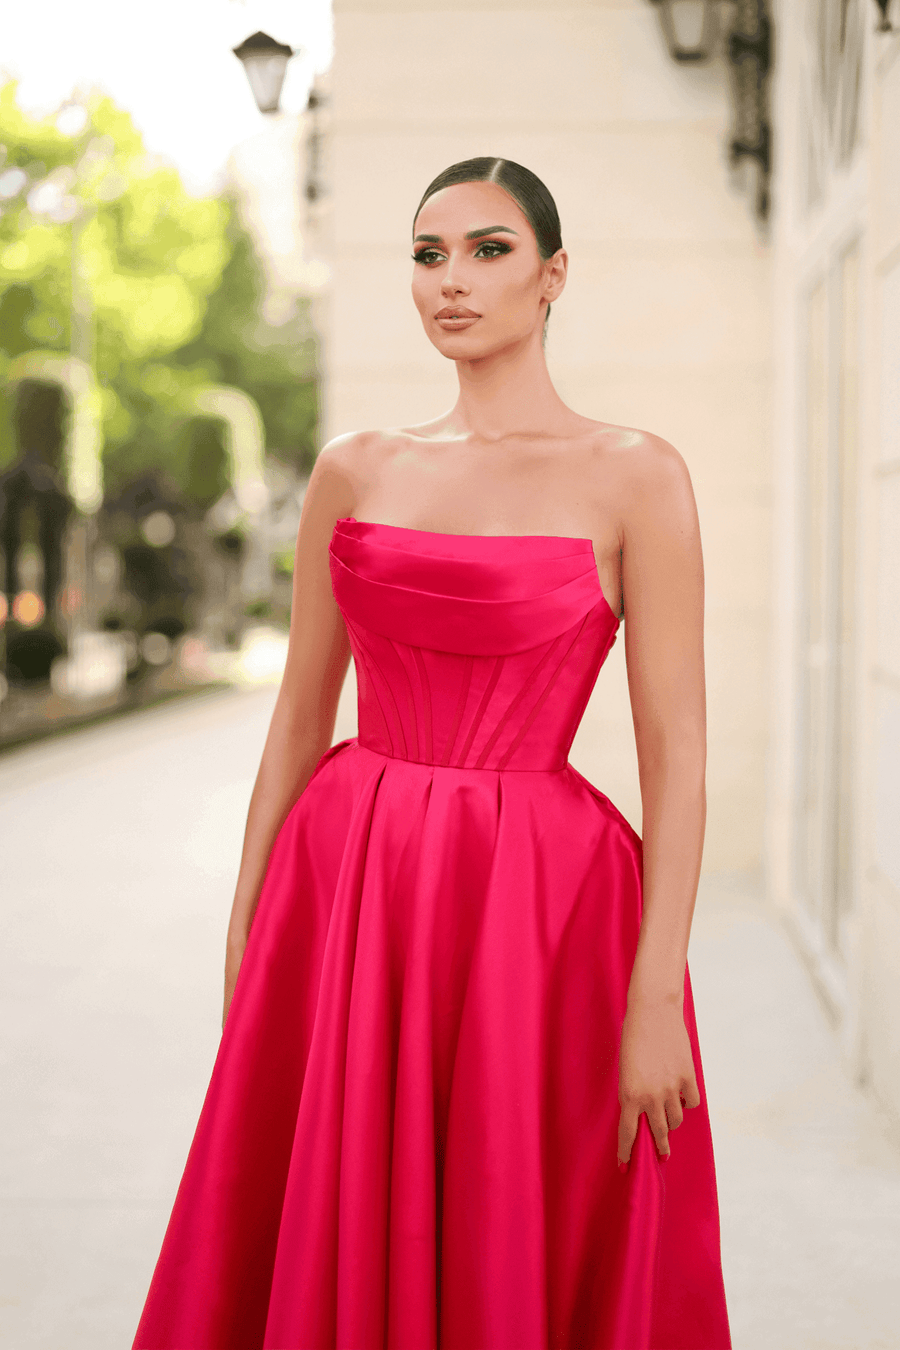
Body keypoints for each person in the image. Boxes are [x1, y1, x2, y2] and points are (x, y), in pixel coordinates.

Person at [133, 157, 732, 1349]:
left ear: (554, 275)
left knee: (523, 1211)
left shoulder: (636, 474)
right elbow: (301, 716)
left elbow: (678, 749)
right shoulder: (356, 468)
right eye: (427, 254)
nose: (452, 280)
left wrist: (656, 991)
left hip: (540, 908)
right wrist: (252, 929)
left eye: (489, 249)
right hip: (348, 884)